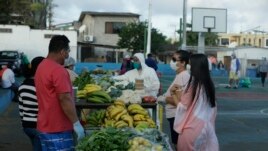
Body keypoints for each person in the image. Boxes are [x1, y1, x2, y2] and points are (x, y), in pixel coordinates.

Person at [35, 35, 85, 150]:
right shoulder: (58, 70)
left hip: (44, 127)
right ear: (62, 52)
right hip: (59, 129)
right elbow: (65, 98)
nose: (67, 56)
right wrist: (76, 123)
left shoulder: (41, 66)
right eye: (67, 52)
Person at [173, 54, 219, 151]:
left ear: (195, 67)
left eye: (190, 64)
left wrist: (173, 94)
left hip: (191, 130)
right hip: (207, 130)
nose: (188, 67)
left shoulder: (193, 85)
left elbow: (182, 107)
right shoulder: (209, 85)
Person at [164, 50, 190, 148]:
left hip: (177, 116)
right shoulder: (180, 75)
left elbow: (181, 101)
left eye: (175, 59)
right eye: (172, 59)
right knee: (176, 144)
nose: (172, 61)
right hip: (174, 116)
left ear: (183, 63)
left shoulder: (184, 76)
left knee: (178, 145)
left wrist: (164, 99)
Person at [18, 56, 44, 151]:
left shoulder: (22, 86)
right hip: (38, 126)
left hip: (27, 126)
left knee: (36, 146)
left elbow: (21, 109)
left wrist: (23, 124)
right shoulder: (41, 87)